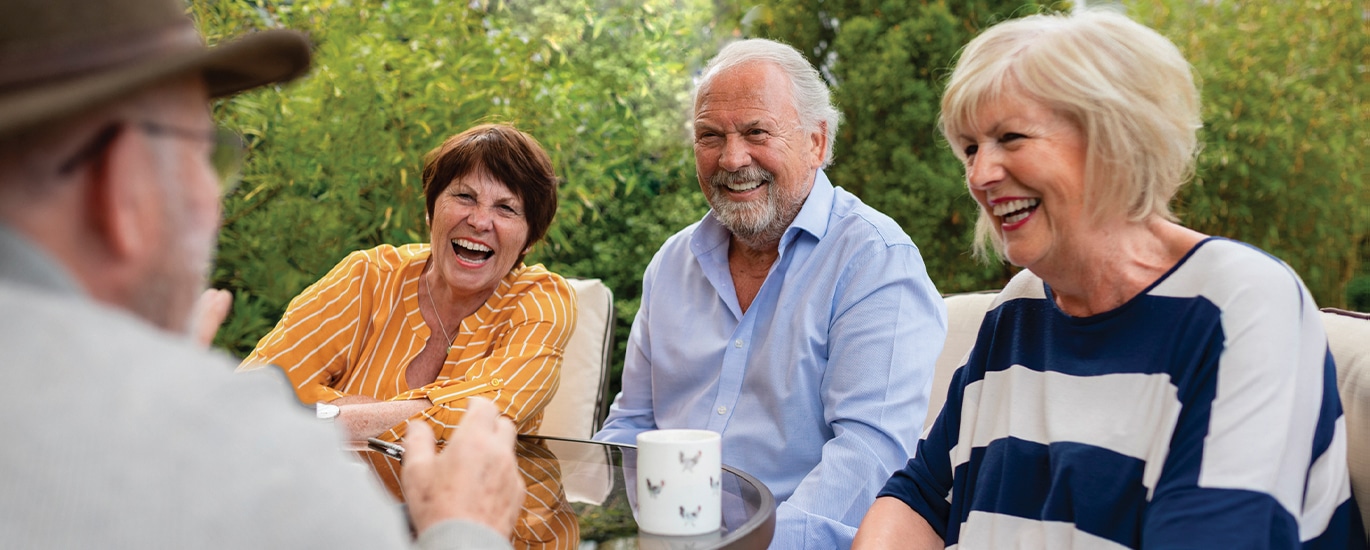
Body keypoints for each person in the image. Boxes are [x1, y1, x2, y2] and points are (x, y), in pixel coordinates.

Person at [0, 0, 525, 548]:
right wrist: (465, 529)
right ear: (122, 183)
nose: (216, 201)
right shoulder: (248, 457)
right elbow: (274, 388)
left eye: (506, 208)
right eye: (205, 156)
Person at [853, 9, 1365, 549]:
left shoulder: (1240, 307)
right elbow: (922, 501)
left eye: (1011, 137)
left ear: (1116, 141)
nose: (980, 175)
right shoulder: (1021, 307)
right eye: (972, 148)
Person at [594, 38, 948, 548]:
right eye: (710, 135)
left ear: (816, 143)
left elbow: (869, 455)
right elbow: (633, 425)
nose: (732, 158)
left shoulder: (874, 260)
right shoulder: (671, 263)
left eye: (757, 132)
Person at [240, 124, 578, 549]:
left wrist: (335, 415)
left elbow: (488, 414)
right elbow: (253, 396)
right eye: (464, 196)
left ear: (528, 240)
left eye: (507, 208)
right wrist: (397, 418)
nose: (479, 220)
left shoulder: (542, 299)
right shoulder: (366, 278)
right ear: (430, 210)